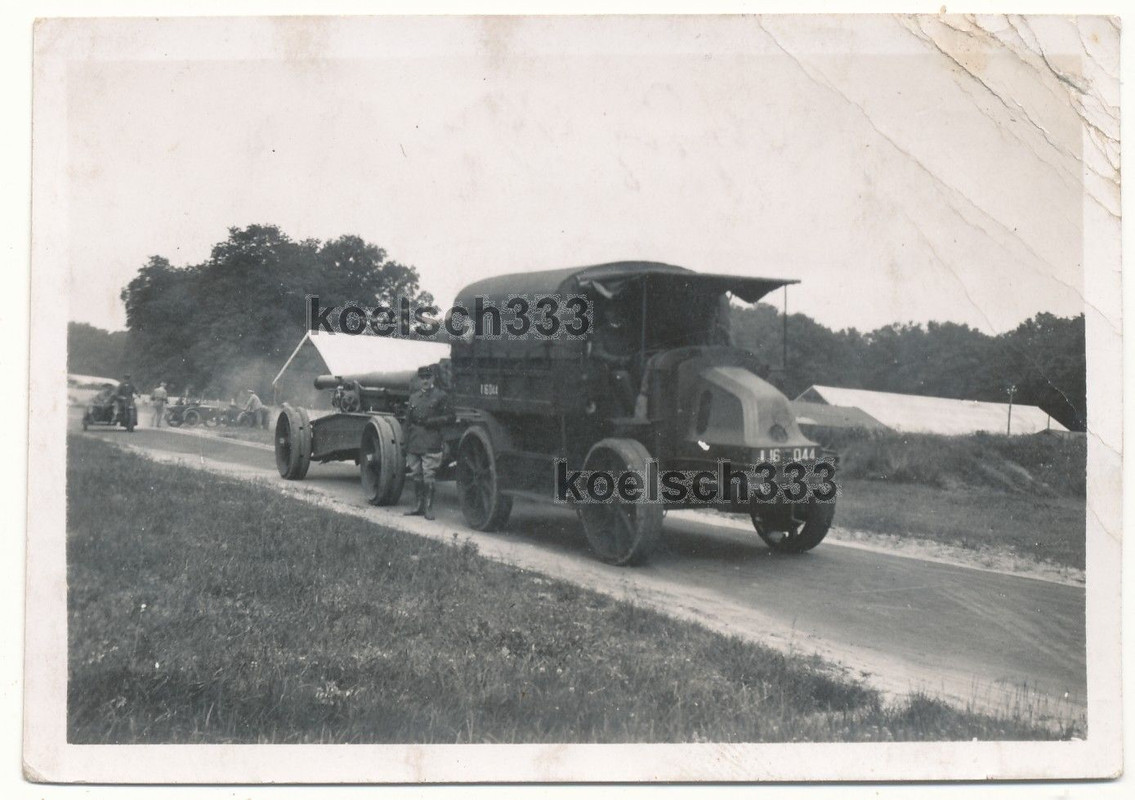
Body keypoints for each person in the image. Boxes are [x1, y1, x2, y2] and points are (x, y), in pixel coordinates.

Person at [403, 364, 453, 520]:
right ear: (419, 379)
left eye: (428, 377)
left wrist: (432, 421)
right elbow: (407, 422)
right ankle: (418, 506)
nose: (425, 381)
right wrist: (405, 442)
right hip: (415, 441)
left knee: (429, 475)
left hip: (431, 440)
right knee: (416, 475)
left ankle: (428, 509)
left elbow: (450, 417)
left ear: (433, 378)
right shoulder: (414, 397)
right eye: (422, 378)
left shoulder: (441, 396)